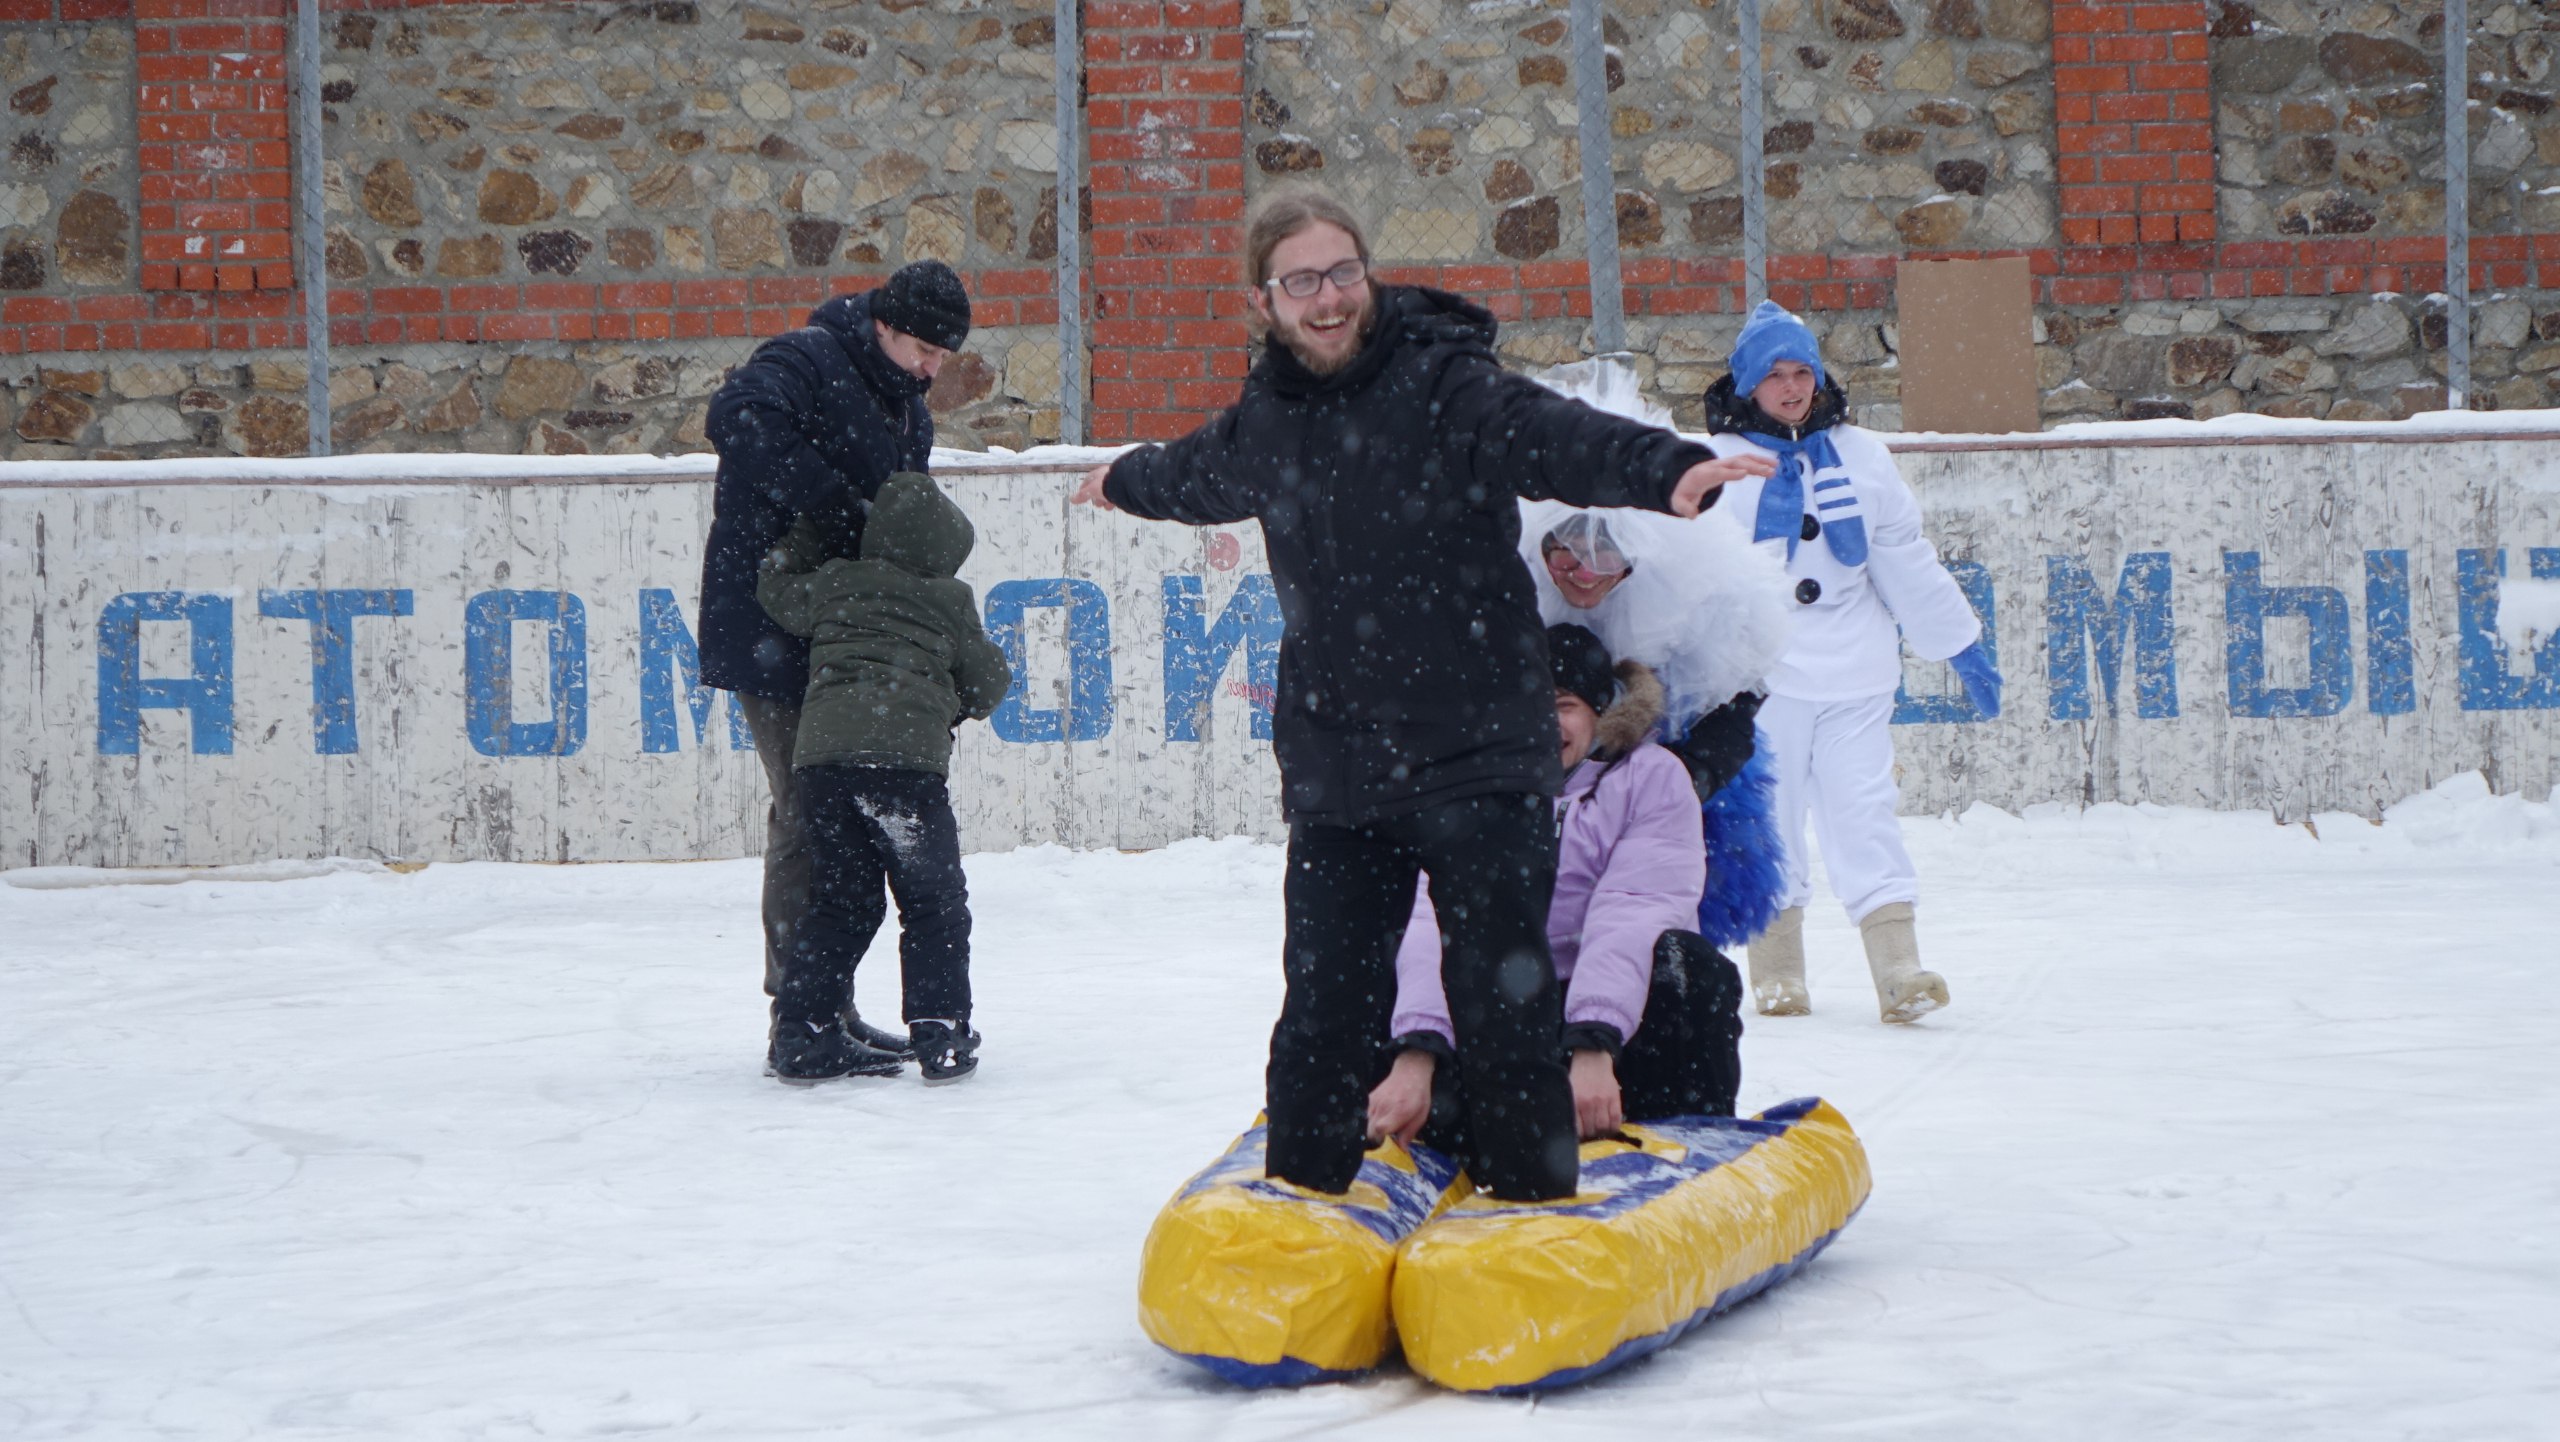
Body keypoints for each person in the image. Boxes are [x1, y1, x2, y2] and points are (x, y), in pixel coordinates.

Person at [1070, 185, 1774, 1201]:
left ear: (1367, 274)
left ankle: (1529, 1206)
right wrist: (1123, 479)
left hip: (1480, 756)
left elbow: (1552, 435)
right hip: (1343, 768)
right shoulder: (1269, 418)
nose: (1328, 297)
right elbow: (1193, 473)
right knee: (1322, 1012)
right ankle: (1303, 1204)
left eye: (1342, 272)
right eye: (1301, 281)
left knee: (1503, 1006)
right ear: (1263, 300)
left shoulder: (1444, 381)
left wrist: (1668, 470)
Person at [696, 260, 973, 1058]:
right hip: (772, 622)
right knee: (806, 813)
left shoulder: (905, 407)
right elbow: (737, 417)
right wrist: (836, 509)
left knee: (826, 822)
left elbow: (901, 529)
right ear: (883, 324)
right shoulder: (808, 357)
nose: (931, 369)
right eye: (923, 349)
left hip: (850, 639)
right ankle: (801, 1015)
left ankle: (825, 1008)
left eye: (942, 356)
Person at [1699, 300, 2003, 1023]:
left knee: (1864, 811)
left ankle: (1898, 968)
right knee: (1770, 818)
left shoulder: (1863, 456)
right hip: (1762, 677)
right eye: (1775, 375)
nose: (1792, 387)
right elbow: (1698, 576)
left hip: (1856, 672)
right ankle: (1777, 970)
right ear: (1748, 383)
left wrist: (1959, 642)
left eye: (1802, 372)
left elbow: (1904, 560)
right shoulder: (1718, 466)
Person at [1368, 625, 1744, 1152]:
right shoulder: (1477, 785)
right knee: (1376, 950)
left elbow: (1633, 910)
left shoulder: (1650, 777)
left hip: (1620, 1027)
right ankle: (1375, 1129)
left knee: (1688, 965)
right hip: (1507, 1012)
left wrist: (1593, 1044)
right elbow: (1435, 917)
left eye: (1563, 705)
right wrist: (1418, 1049)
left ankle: (1687, 1141)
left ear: (1601, 711)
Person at [753, 473, 1014, 1084]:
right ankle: (939, 1031)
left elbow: (775, 591)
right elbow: (988, 684)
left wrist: (802, 534)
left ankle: (802, 1033)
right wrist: (947, 703)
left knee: (840, 902)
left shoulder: (837, 581)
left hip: (823, 766)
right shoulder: (949, 601)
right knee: (932, 902)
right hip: (905, 769)